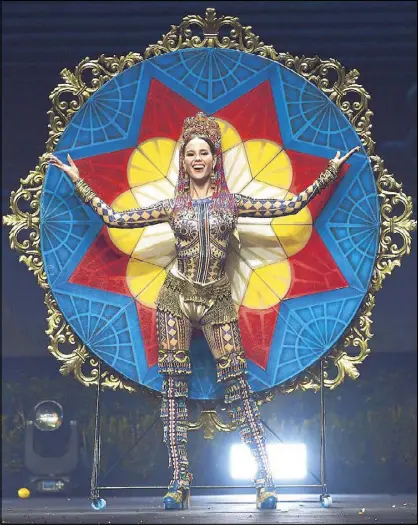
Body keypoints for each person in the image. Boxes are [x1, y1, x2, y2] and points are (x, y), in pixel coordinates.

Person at [49, 112, 359, 510]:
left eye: (204, 152)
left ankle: (265, 480)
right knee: (174, 390)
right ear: (183, 160)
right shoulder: (173, 206)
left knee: (239, 387)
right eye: (190, 152)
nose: (197, 159)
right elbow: (115, 218)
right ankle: (179, 481)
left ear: (215, 159)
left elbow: (292, 206)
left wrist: (329, 173)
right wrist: (78, 180)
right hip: (175, 296)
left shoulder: (233, 203)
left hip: (216, 298)